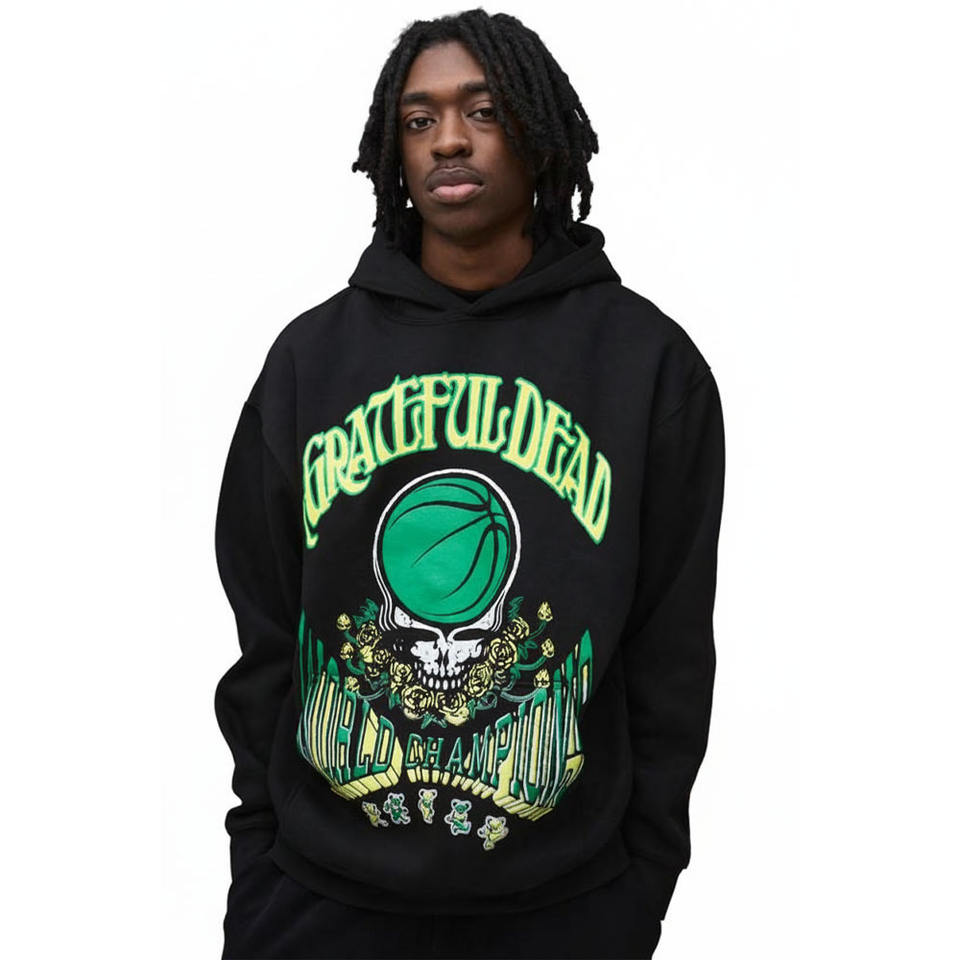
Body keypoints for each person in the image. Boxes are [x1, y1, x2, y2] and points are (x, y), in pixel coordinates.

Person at [213, 8, 725, 959]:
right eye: (419, 119)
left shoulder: (648, 366)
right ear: (393, 152)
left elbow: (671, 654)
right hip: (320, 897)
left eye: (483, 111)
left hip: (567, 904)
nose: (448, 139)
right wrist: (261, 857)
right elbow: (265, 634)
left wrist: (641, 880)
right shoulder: (310, 361)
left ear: (539, 134)